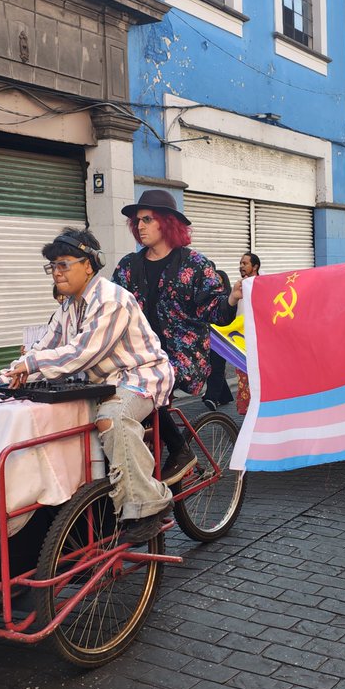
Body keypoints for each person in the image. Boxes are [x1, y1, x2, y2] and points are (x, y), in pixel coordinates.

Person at [0, 228, 174, 545]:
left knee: (112, 419)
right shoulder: (67, 307)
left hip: (139, 376)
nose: (56, 272)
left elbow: (82, 352)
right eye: (52, 266)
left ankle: (146, 504)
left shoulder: (112, 300)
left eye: (63, 264)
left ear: (89, 265)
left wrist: (33, 365)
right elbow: (41, 348)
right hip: (99, 383)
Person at [112, 190, 239, 479]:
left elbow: (214, 312)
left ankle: (180, 450)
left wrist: (230, 300)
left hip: (181, 356)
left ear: (167, 223)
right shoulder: (127, 267)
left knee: (146, 388)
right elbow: (109, 309)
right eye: (137, 220)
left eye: (148, 219)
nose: (140, 226)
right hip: (138, 357)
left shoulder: (194, 264)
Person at [202, 269, 235, 410]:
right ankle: (224, 395)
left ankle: (211, 397)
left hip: (223, 340)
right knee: (212, 367)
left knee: (217, 367)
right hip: (208, 338)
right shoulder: (208, 297)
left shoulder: (230, 300)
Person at [234, 252, 260, 415]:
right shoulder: (239, 287)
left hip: (258, 344)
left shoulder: (262, 285)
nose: (241, 266)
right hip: (241, 343)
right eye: (241, 263)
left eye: (245, 263)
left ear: (255, 266)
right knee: (243, 381)